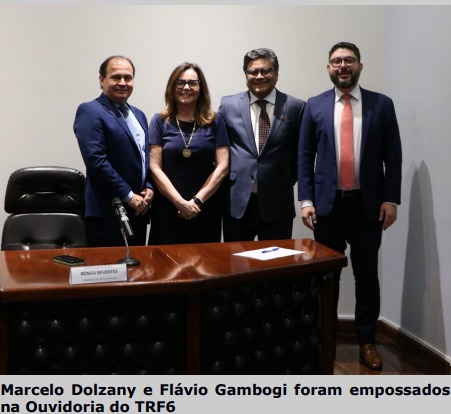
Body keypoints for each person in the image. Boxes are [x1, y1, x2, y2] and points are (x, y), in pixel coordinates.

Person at [298, 42, 402, 370]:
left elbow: (393, 157)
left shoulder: (381, 105)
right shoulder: (313, 106)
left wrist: (391, 199)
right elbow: (304, 156)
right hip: (327, 207)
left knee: (366, 276)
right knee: (327, 278)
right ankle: (325, 341)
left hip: (368, 207)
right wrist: (306, 200)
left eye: (349, 60)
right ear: (328, 67)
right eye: (336, 61)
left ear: (360, 65)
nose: (342, 66)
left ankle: (367, 341)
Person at [218, 48, 305, 241]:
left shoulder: (295, 107)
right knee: (236, 266)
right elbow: (219, 150)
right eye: (253, 71)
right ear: (246, 74)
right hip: (237, 203)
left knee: (276, 267)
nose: (259, 76)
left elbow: (300, 157)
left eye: (266, 70)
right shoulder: (228, 105)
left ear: (276, 73)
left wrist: (281, 180)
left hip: (277, 204)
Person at [74, 55, 153, 247]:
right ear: (102, 80)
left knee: (138, 273)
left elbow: (144, 158)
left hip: (138, 211)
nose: (123, 83)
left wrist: (149, 187)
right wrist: (128, 195)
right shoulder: (90, 110)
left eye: (128, 77)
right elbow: (96, 161)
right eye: (116, 77)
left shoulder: (139, 114)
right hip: (107, 212)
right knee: (108, 273)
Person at [148, 62, 229, 244]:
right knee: (164, 266)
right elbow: (154, 167)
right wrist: (180, 203)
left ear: (201, 88)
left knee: (206, 266)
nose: (186, 87)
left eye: (193, 83)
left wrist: (196, 202)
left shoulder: (215, 121)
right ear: (172, 87)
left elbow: (223, 167)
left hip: (205, 207)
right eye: (180, 82)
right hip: (168, 207)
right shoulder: (159, 121)